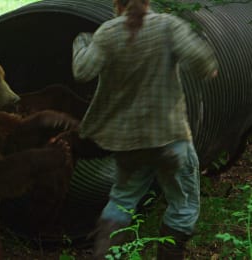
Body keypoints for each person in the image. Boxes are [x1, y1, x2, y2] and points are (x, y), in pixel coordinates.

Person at [71, 0, 218, 258]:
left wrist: (82, 42)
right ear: (147, 2)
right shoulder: (167, 26)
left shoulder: (107, 32)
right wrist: (208, 67)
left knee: (122, 199)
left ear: (117, 4)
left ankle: (105, 253)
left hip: (129, 144)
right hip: (170, 139)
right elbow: (203, 63)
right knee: (183, 204)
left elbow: (82, 71)